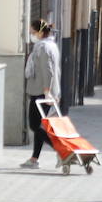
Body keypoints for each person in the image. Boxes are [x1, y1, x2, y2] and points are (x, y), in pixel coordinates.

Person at [20, 19, 61, 169]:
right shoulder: (51, 45)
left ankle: (61, 151)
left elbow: (48, 71)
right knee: (40, 127)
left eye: (33, 32)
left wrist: (46, 92)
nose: (31, 35)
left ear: (40, 32)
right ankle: (34, 159)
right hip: (46, 92)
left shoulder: (43, 47)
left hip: (41, 93)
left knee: (34, 125)